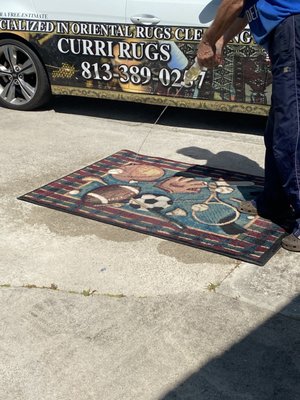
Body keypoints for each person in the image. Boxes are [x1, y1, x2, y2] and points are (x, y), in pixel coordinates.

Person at [197, 0, 300, 252]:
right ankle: (274, 201)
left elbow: (235, 2)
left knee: (290, 131)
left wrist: (208, 39)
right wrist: (221, 39)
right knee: (277, 127)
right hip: (285, 36)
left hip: (292, 31)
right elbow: (244, 13)